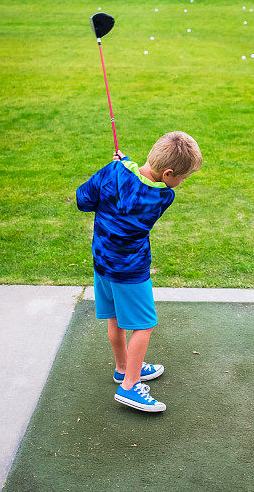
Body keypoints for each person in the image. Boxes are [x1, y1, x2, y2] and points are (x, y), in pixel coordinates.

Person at [76, 131, 202, 413]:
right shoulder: (163, 196)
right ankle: (130, 386)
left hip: (102, 262)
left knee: (117, 320)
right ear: (168, 173)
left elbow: (83, 200)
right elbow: (143, 185)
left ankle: (123, 368)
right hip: (131, 270)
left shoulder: (113, 172)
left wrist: (121, 167)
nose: (182, 182)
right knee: (143, 326)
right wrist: (126, 166)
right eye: (183, 177)